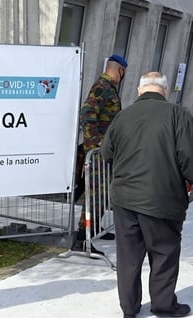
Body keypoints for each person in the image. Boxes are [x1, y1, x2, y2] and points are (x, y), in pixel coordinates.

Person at [100, 72, 193, 318]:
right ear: (165, 90)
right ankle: (163, 304)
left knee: (128, 255)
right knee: (164, 252)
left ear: (140, 90)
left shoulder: (123, 116)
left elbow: (106, 152)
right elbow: (191, 156)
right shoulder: (178, 115)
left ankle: (129, 307)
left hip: (125, 197)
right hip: (162, 196)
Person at [71, 54, 128, 255]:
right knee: (96, 195)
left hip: (105, 153)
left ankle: (94, 228)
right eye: (123, 72)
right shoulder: (102, 87)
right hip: (97, 154)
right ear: (120, 70)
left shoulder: (108, 88)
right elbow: (87, 112)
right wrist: (94, 144)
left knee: (102, 195)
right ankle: (82, 239)